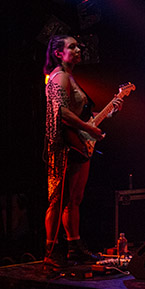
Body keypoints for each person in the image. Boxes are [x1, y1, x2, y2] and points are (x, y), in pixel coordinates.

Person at [42, 35, 121, 268]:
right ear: (59, 53)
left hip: (77, 143)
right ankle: (51, 250)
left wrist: (108, 114)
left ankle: (74, 246)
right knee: (59, 199)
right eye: (72, 47)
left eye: (78, 46)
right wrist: (89, 128)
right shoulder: (59, 77)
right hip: (64, 145)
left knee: (74, 199)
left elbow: (81, 116)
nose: (78, 49)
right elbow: (62, 112)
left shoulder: (71, 78)